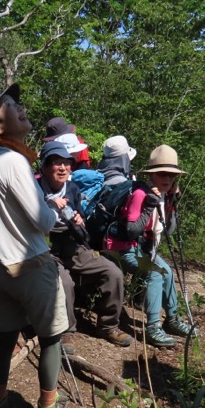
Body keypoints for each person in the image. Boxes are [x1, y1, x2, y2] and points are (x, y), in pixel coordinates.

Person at [0, 83, 69, 408]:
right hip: (31, 267)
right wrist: (54, 211)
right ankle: (48, 406)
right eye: (10, 106)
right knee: (51, 337)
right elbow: (42, 220)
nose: (20, 107)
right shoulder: (14, 160)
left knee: (7, 336)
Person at [37, 140, 133, 352]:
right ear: (44, 167)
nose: (62, 167)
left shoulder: (72, 188)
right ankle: (66, 332)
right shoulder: (34, 189)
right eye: (56, 163)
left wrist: (80, 220)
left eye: (66, 163)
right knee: (65, 283)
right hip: (45, 246)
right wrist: (49, 204)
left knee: (113, 273)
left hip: (73, 244)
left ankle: (108, 326)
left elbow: (80, 214)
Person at [104, 145, 196, 348]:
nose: (168, 178)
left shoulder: (162, 194)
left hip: (142, 249)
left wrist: (172, 201)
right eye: (162, 174)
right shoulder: (141, 194)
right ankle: (153, 328)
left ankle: (171, 320)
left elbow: (169, 230)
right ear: (152, 175)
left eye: (172, 175)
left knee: (168, 273)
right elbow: (131, 231)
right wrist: (148, 207)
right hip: (120, 248)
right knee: (154, 274)